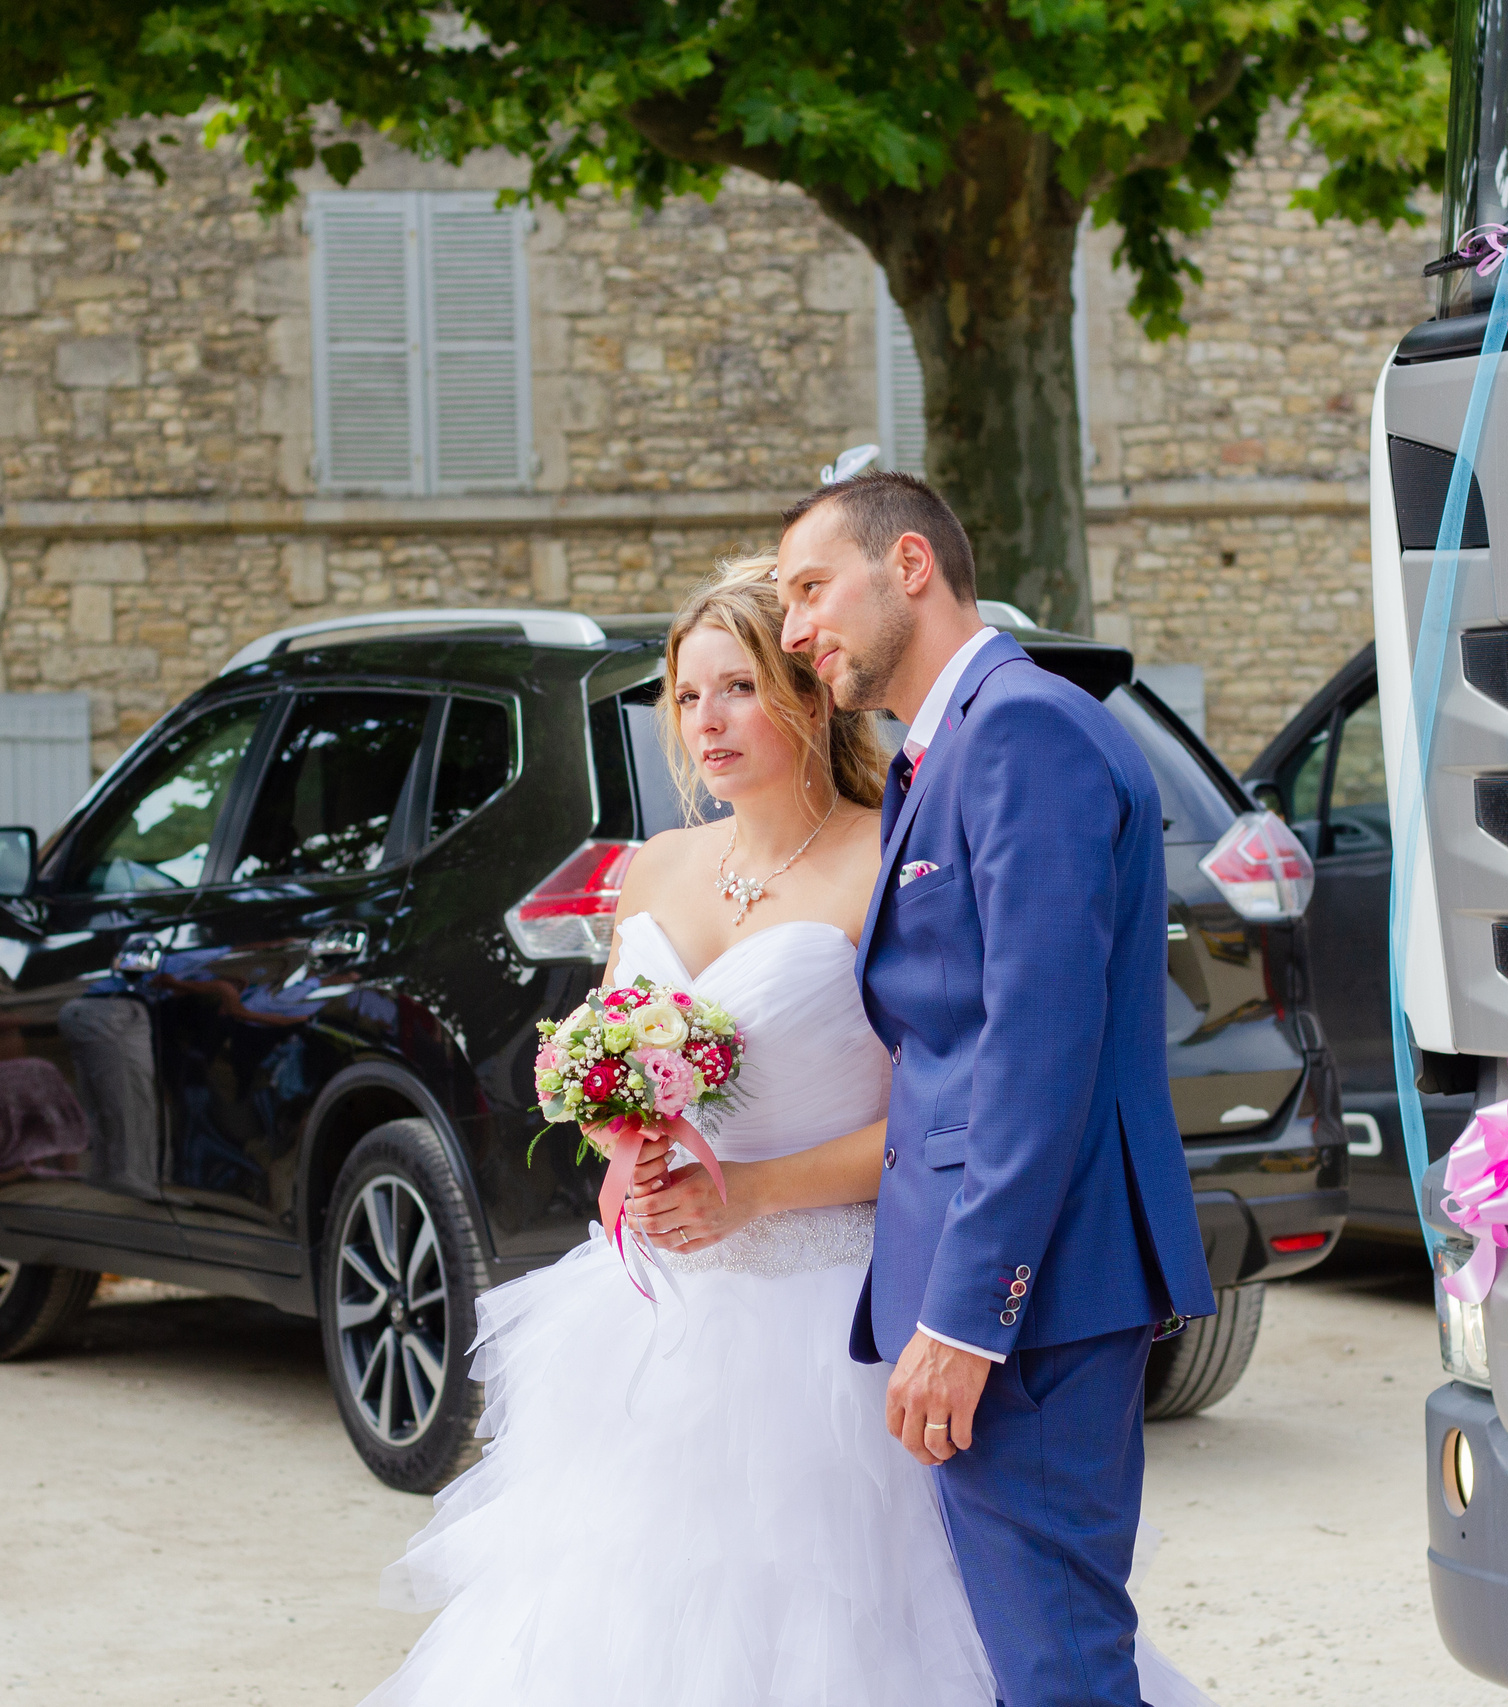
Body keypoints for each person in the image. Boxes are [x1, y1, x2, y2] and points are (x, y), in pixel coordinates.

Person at [362, 558, 1212, 1704]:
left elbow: (942, 1108)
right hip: (659, 1317)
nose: (707, 722)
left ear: (809, 696)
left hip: (837, 1308)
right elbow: (618, 1068)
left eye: (740, 688)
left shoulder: (892, 859)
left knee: (872, 1630)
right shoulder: (650, 869)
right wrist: (630, 1144)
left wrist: (752, 1193)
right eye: (686, 694)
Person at [772, 469, 1219, 1707]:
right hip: (1014, 1292)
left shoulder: (1019, 732)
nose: (796, 629)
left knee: (1059, 1669)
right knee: (1036, 1662)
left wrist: (968, 1319)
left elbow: (1035, 1047)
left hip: (1036, 1301)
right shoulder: (946, 747)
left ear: (909, 564)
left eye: (813, 589)